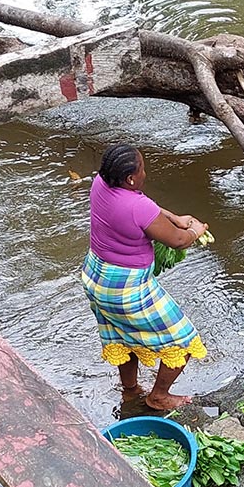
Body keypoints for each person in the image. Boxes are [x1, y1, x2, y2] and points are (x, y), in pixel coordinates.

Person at [81, 144, 208, 411]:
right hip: (125, 288)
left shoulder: (101, 184)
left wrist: (174, 216)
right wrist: (195, 230)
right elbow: (178, 240)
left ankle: (130, 391)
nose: (145, 173)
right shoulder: (137, 207)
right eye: (142, 169)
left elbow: (143, 204)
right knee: (182, 340)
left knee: (121, 335)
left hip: (95, 275)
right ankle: (158, 396)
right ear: (130, 179)